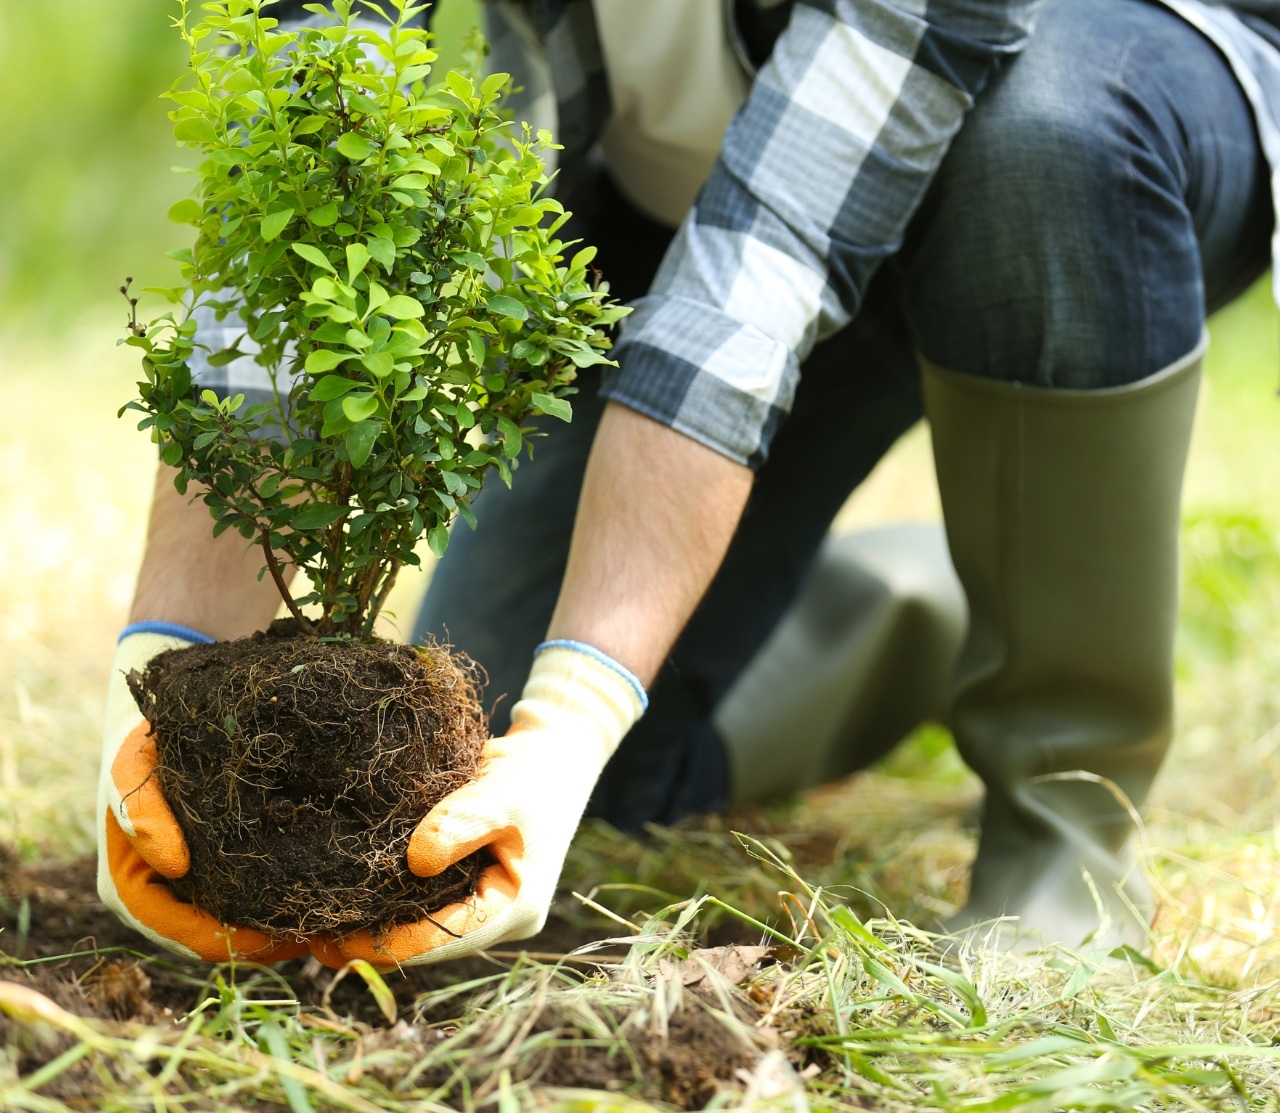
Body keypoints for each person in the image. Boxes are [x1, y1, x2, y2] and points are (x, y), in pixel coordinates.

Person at [99, 0, 1279, 964]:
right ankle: (949, 598)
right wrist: (162, 675)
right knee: (513, 772)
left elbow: (766, 261)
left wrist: (580, 707)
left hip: (1091, 110)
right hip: (690, 198)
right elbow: (311, 154)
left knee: (1044, 139)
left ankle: (1060, 818)